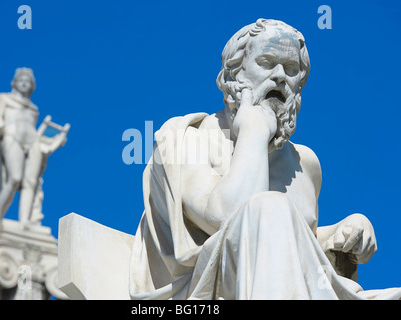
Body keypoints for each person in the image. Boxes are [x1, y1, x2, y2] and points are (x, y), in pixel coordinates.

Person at [129, 19, 401, 299]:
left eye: (292, 69)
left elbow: (285, 246)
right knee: (268, 206)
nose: (281, 76)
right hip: (208, 292)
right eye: (267, 62)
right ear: (235, 73)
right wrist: (255, 129)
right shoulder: (185, 139)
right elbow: (229, 217)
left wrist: (338, 233)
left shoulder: (305, 163)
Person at [0, 68, 68, 234]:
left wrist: (54, 140)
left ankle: (25, 223)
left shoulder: (33, 108)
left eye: (28, 81)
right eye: (22, 80)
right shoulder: (3, 99)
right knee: (14, 178)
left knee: (30, 183)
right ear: (15, 83)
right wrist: (0, 126)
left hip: (32, 141)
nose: (25, 82)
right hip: (12, 137)